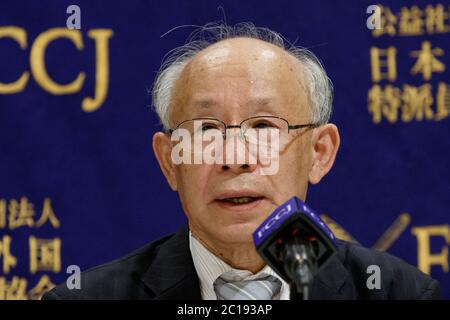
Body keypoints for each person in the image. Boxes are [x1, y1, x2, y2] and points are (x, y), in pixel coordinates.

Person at [43, 23, 441, 300]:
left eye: (264, 125)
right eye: (208, 130)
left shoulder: (398, 293)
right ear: (169, 162)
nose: (235, 158)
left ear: (319, 152)